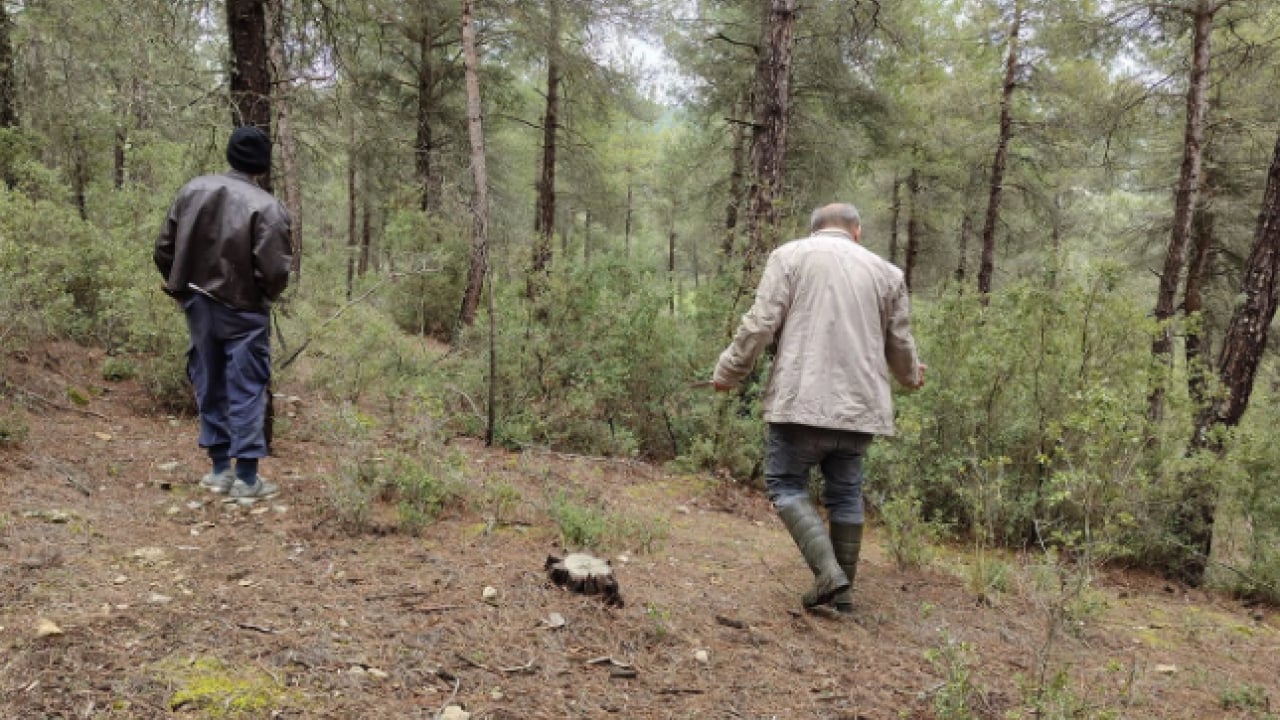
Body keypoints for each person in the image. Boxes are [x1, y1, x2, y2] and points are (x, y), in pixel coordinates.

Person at [713, 203, 925, 613]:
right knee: (845, 493)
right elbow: (899, 343)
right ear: (857, 232)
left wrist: (729, 372)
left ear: (813, 231)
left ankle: (829, 575)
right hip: (860, 408)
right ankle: (842, 597)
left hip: (800, 400)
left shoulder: (788, 257)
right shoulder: (888, 273)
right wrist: (910, 376)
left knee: (786, 484)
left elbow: (759, 324)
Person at [154, 126, 293, 503]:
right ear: (262, 165)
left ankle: (219, 471)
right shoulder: (267, 206)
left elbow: (164, 249)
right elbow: (276, 271)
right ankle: (246, 479)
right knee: (247, 387)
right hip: (244, 309)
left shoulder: (192, 190)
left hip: (197, 304)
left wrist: (182, 288)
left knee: (208, 379)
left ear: (232, 156)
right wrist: (263, 298)